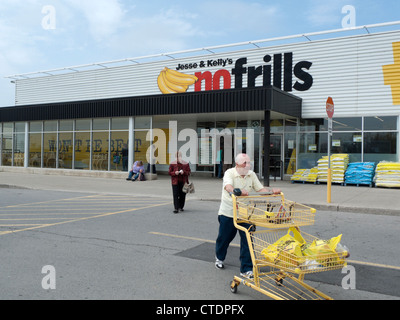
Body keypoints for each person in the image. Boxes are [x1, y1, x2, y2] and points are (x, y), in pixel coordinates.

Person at [215, 153, 281, 278]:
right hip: (229, 212)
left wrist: (272, 191)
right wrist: (235, 191)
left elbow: (260, 189)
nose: (247, 165)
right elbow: (228, 186)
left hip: (246, 213)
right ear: (237, 165)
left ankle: (246, 269)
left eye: (249, 163)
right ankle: (219, 257)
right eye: (245, 163)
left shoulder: (251, 174)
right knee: (224, 239)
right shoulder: (230, 172)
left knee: (248, 240)